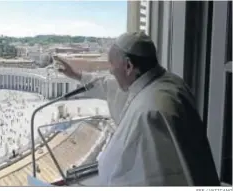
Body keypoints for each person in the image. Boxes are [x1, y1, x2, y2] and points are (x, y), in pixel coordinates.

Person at [54, 32, 219, 186]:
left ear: (128, 66)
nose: (110, 71)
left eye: (111, 65)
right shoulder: (167, 82)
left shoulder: (150, 111)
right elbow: (107, 85)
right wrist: (77, 75)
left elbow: (142, 176)